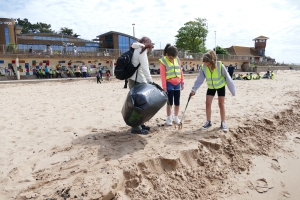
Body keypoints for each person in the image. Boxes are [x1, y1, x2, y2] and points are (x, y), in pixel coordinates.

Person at [190, 50, 236, 132]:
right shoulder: (203, 67)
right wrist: (194, 89)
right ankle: (208, 122)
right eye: (204, 63)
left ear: (211, 62)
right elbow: (199, 80)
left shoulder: (219, 65)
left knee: (221, 104)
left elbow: (228, 78)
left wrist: (233, 91)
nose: (205, 65)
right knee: (207, 103)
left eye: (206, 63)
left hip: (221, 86)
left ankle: (223, 122)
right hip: (211, 87)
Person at [128, 37, 154, 134]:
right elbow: (145, 67)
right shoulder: (141, 49)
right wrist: (150, 82)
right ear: (145, 43)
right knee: (138, 105)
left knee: (137, 104)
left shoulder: (135, 48)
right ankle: (136, 128)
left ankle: (140, 124)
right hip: (137, 80)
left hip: (133, 79)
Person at [159, 44, 184, 126]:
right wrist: (164, 87)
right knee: (170, 102)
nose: (172, 59)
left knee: (177, 102)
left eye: (173, 57)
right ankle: (169, 118)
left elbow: (180, 71)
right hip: (169, 84)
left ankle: (176, 117)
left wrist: (182, 82)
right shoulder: (163, 61)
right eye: (170, 57)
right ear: (167, 55)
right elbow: (162, 75)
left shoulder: (177, 59)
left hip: (177, 83)